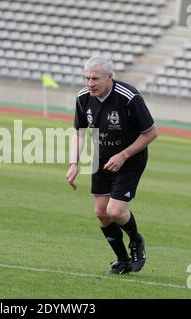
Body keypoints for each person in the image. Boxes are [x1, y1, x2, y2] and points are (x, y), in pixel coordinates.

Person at [66, 56, 158, 274]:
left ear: (110, 77)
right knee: (101, 212)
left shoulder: (129, 97)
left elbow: (151, 133)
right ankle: (122, 260)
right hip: (101, 158)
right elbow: (78, 132)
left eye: (95, 78)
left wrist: (123, 156)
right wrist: (73, 164)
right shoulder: (82, 98)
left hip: (130, 159)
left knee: (115, 211)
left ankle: (136, 241)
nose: (90, 83)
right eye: (87, 78)